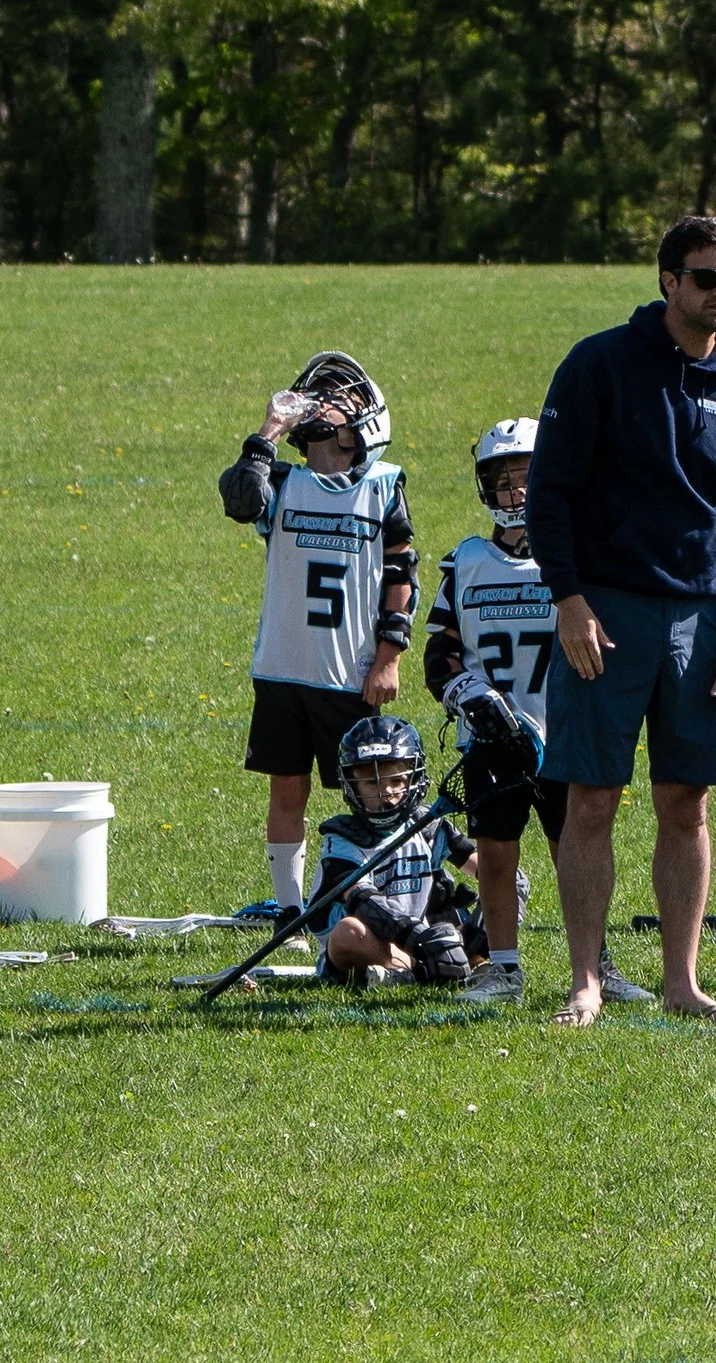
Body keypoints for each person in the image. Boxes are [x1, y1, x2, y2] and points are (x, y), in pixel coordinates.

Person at [526, 215, 716, 1026]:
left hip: (701, 624)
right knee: (591, 800)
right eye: (708, 278)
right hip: (604, 613)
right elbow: (549, 493)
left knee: (689, 804)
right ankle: (585, 978)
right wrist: (568, 599)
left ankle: (683, 983)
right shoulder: (600, 365)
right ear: (668, 279)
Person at [425, 418, 649, 1008]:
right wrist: (474, 700)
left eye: (527, 478)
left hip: (563, 735)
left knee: (577, 850)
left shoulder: (577, 561)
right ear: (485, 489)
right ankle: (503, 967)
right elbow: (440, 656)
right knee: (496, 852)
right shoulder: (466, 562)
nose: (516, 493)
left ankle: (597, 965)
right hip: (493, 741)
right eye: (503, 482)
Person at [219, 353, 416, 940]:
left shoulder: (383, 486)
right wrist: (267, 433)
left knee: (369, 794)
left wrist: (388, 657)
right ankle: (288, 910)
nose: (318, 403)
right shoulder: (283, 480)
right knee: (288, 789)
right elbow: (239, 500)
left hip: (347, 671)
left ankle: (363, 901)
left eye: (334, 397)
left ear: (364, 422)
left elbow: (401, 574)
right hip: (284, 668)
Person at [309, 718, 475, 988]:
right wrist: (420, 939)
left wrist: (503, 884)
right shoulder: (342, 839)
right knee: (349, 932)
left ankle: (464, 965)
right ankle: (427, 971)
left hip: (422, 939)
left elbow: (483, 867)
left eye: (396, 780)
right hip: (373, 944)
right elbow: (363, 901)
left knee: (492, 901)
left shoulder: (427, 825)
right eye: (372, 784)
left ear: (414, 778)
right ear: (352, 785)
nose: (386, 792)